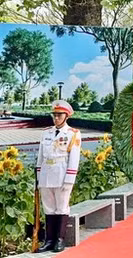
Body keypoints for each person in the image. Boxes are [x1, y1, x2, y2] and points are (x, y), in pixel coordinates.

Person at [35, 100, 81, 253]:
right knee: (49, 208)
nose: (56, 118)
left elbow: (74, 158)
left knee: (61, 207)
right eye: (54, 115)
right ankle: (49, 240)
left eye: (59, 115)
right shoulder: (46, 132)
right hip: (47, 173)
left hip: (62, 174)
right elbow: (41, 156)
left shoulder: (73, 134)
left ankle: (60, 240)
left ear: (66, 116)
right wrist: (38, 176)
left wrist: (70, 179)